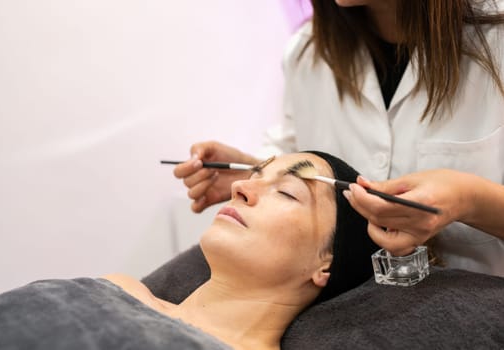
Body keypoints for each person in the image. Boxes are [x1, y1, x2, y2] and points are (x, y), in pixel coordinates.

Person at [173, 0, 504, 276]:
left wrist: (471, 200)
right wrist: (258, 170)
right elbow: (297, 149)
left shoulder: (496, 42)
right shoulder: (308, 51)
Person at [0, 151, 379, 350]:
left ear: (326, 262)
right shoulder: (120, 288)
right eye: (256, 175)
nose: (241, 187)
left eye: (289, 192)